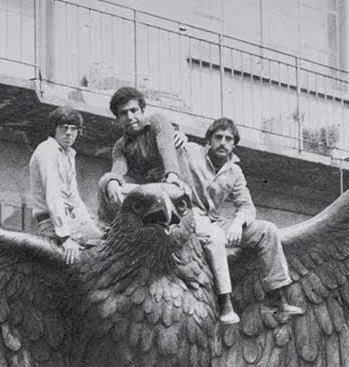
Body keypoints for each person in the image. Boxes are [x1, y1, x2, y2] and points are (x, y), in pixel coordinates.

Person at [98, 86, 240, 324]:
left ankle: (225, 300)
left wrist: (172, 175)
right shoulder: (120, 146)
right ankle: (109, 232)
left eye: (134, 110)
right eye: (124, 113)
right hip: (151, 198)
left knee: (214, 237)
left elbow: (167, 151)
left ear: (142, 110)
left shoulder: (157, 122)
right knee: (107, 182)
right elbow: (118, 169)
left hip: (174, 194)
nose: (130, 117)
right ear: (118, 118)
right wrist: (113, 180)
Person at [180, 118, 303, 319]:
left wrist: (238, 222)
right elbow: (169, 141)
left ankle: (276, 297)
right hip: (190, 218)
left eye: (229, 139)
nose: (223, 142)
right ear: (208, 141)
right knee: (217, 234)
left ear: (234, 145)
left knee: (267, 229)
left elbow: (246, 206)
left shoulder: (234, 171)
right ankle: (225, 303)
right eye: (218, 137)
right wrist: (176, 132)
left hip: (215, 221)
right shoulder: (191, 152)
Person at [28, 105, 101, 265]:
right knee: (75, 259)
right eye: (64, 128)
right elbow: (53, 196)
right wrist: (66, 238)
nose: (69, 133)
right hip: (49, 223)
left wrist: (90, 227)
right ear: (54, 129)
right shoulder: (47, 151)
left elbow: (74, 198)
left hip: (69, 219)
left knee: (103, 242)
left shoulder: (68, 154)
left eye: (74, 129)